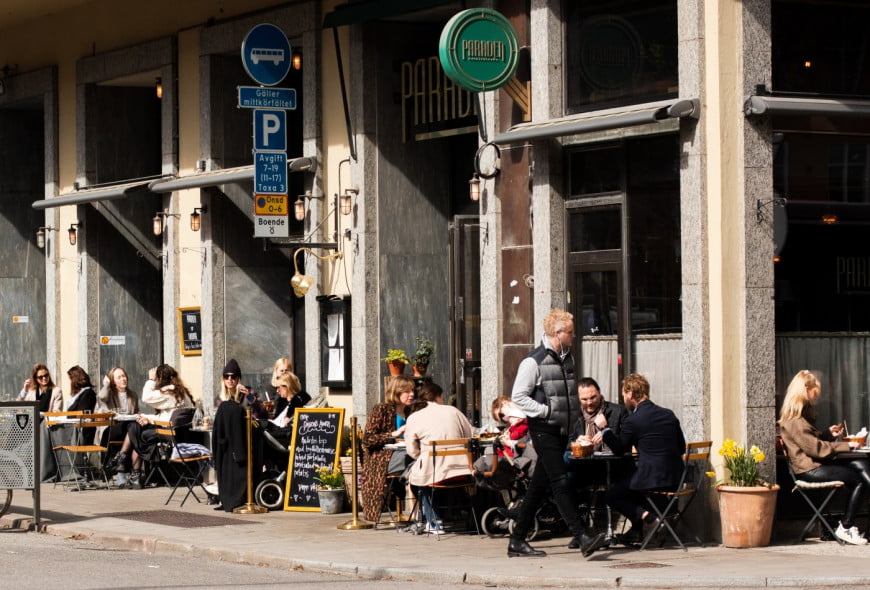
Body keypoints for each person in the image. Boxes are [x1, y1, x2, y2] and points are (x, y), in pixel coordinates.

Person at [508, 308, 606, 558]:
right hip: (543, 430)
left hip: (561, 429)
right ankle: (582, 535)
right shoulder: (533, 361)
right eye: (571, 333)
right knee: (560, 482)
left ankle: (517, 540)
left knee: (538, 488)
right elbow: (518, 396)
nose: (574, 336)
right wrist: (545, 410)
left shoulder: (567, 358)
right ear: (557, 333)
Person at [779, 369, 870, 545]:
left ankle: (846, 526)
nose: (817, 395)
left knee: (859, 464)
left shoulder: (799, 417)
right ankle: (846, 527)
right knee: (858, 479)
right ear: (805, 389)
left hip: (813, 466)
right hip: (809, 470)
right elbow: (815, 449)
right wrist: (847, 445)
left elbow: (811, 442)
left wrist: (828, 434)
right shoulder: (795, 421)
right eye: (815, 391)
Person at [594, 373, 686, 544]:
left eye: (623, 394)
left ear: (630, 393)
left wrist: (604, 429)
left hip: (652, 480)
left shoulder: (634, 420)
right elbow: (681, 447)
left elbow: (620, 449)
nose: (623, 399)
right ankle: (637, 532)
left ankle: (650, 520)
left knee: (612, 495)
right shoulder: (668, 414)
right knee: (630, 485)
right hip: (677, 479)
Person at [109, 364, 195, 489]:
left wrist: (150, 380)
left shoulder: (169, 392)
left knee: (136, 432)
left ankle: (127, 464)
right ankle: (133, 475)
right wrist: (147, 418)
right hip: (177, 432)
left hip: (169, 433)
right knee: (136, 429)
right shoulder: (180, 391)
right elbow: (167, 417)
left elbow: (146, 397)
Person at [404, 382, 474, 534]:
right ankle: (465, 516)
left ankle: (434, 521)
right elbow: (470, 435)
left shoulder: (415, 417)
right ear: (439, 396)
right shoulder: (453, 411)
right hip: (462, 470)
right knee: (428, 475)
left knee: (419, 478)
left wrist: (422, 456)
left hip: (433, 473)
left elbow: (411, 450)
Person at [360, 375, 415, 524]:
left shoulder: (412, 411)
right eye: (407, 391)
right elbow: (367, 440)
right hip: (383, 458)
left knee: (423, 459)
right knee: (415, 461)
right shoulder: (381, 410)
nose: (412, 394)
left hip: (408, 452)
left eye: (412, 391)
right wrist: (392, 434)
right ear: (396, 392)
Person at [213, 359, 263, 512]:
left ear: (238, 378)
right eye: (227, 377)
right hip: (228, 440)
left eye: (233, 377)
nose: (230, 380)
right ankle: (227, 498)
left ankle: (241, 498)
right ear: (223, 379)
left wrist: (249, 397)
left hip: (245, 437)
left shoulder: (247, 393)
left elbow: (260, 413)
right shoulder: (220, 398)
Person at [97, 367, 139, 484]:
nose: (123, 379)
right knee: (133, 429)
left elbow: (135, 412)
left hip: (127, 429)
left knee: (134, 429)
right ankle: (131, 474)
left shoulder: (133, 395)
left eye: (124, 376)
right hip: (111, 428)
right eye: (119, 377)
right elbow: (101, 397)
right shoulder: (109, 394)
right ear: (113, 381)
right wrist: (106, 385)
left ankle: (122, 467)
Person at [263, 370, 311, 448]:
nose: (277, 390)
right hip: (277, 432)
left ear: (287, 386)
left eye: (279, 387)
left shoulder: (299, 400)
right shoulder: (284, 402)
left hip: (283, 437)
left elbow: (287, 425)